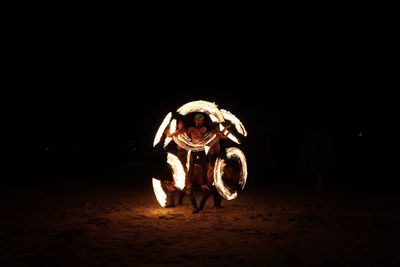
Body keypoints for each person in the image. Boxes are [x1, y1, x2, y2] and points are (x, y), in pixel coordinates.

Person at [185, 113, 211, 213]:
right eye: (198, 120)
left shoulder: (204, 129)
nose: (199, 122)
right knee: (191, 165)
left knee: (203, 166)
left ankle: (204, 182)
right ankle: (191, 181)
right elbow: (186, 137)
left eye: (201, 120)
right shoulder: (191, 129)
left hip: (201, 150)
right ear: (195, 121)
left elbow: (208, 139)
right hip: (193, 150)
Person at [207, 122, 232, 208]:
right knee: (215, 179)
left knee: (220, 180)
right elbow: (223, 136)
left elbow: (223, 135)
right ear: (213, 128)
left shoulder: (217, 133)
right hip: (212, 156)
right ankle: (216, 203)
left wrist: (227, 130)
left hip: (217, 155)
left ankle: (218, 204)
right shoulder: (211, 134)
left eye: (218, 127)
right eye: (216, 127)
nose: (217, 129)